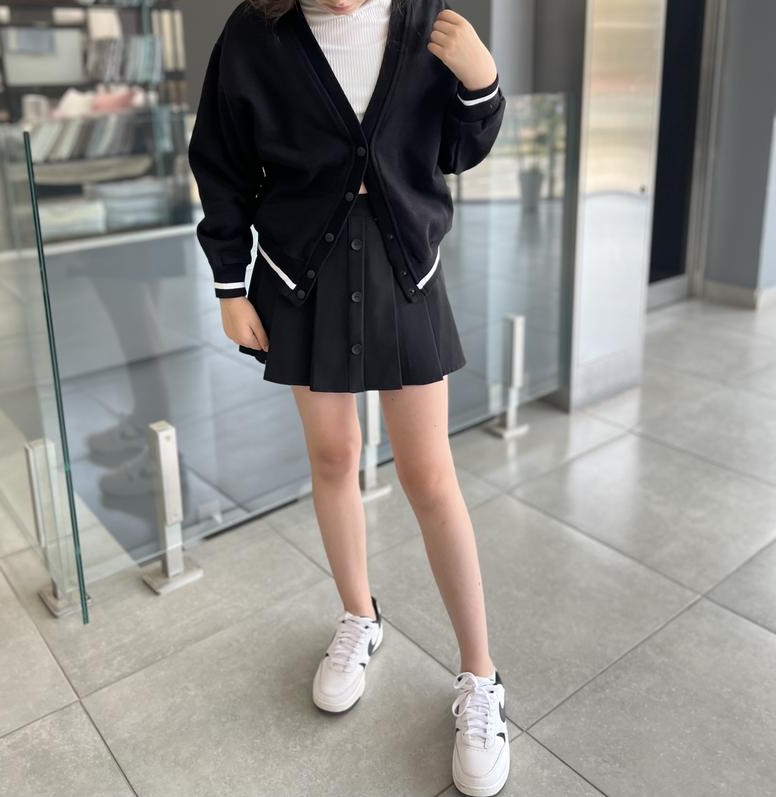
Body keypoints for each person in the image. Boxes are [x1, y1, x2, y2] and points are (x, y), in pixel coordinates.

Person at [188, 0, 509, 793]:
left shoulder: (430, 20)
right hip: (299, 274)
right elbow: (222, 159)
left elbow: (457, 151)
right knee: (333, 456)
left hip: (406, 271)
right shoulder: (255, 32)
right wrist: (230, 283)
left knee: (429, 476)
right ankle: (359, 615)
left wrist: (482, 84)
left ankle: (481, 676)